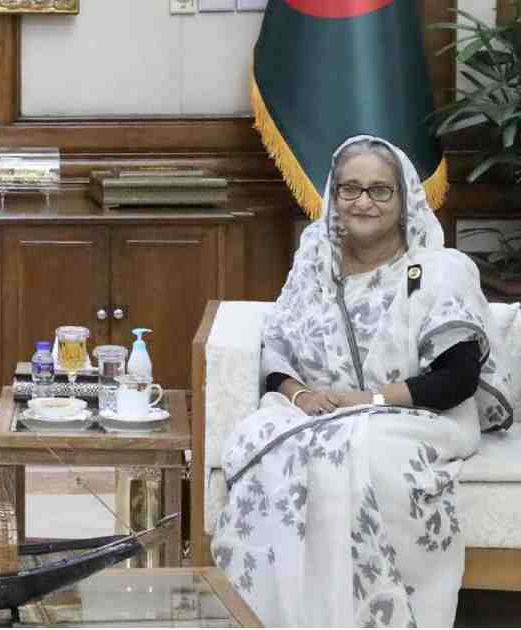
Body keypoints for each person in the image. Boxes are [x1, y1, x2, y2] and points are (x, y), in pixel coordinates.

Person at [210, 135, 517, 627]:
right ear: (334, 196)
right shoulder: (314, 267)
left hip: (417, 416)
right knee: (259, 437)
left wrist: (366, 399)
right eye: (350, 189)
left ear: (404, 198)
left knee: (359, 448)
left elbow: (457, 380)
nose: (363, 202)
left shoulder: (438, 271)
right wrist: (299, 394)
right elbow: (278, 349)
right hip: (320, 410)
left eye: (380, 190)